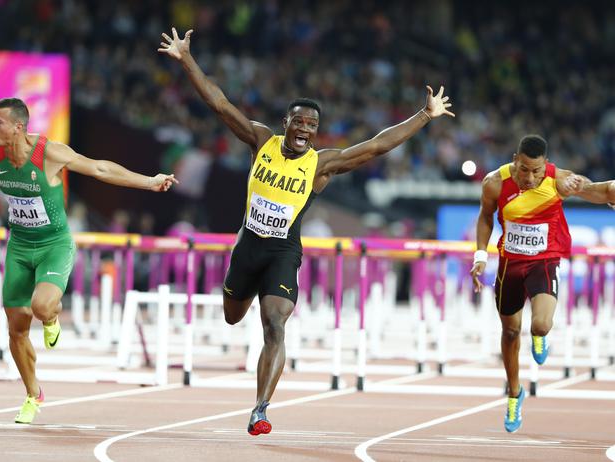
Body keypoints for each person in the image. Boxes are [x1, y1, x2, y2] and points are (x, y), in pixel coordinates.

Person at [158, 27, 454, 436]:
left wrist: (425, 115)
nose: (304, 129)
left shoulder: (321, 163)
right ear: (286, 123)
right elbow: (220, 104)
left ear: (316, 132)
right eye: (298, 122)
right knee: (231, 317)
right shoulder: (261, 139)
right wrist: (186, 58)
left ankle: (260, 408)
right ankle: (247, 330)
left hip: (283, 254)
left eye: (312, 125)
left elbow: (375, 146)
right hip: (246, 250)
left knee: (275, 326)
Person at [0, 97, 178, 424]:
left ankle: (51, 318)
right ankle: (33, 394)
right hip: (19, 246)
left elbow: (99, 167)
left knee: (41, 306)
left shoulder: (49, 153)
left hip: (54, 245)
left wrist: (148, 181)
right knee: (16, 329)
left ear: (19, 126)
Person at [469, 134, 615, 433]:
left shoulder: (558, 180)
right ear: (515, 160)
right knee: (510, 332)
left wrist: (611, 190)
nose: (530, 177)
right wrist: (481, 254)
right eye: (524, 169)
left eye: (536, 171)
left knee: (540, 325)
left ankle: (540, 335)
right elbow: (485, 217)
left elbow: (596, 190)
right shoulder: (494, 183)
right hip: (509, 263)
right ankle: (513, 393)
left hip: (544, 260)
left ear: (545, 165)